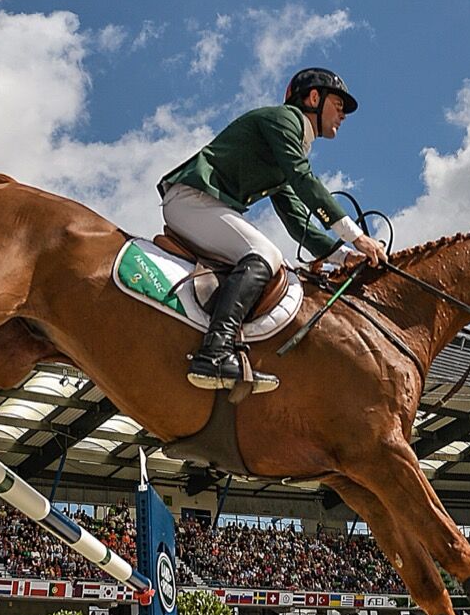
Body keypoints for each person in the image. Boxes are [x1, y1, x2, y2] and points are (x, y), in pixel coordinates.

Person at [158, 67, 388, 392]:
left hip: (203, 204)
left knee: (269, 255)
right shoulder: (285, 120)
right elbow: (304, 180)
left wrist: (343, 257)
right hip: (192, 200)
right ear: (313, 98)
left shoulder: (289, 143)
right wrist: (356, 236)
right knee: (264, 254)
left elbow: (295, 217)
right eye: (338, 104)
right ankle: (215, 352)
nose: (343, 115)